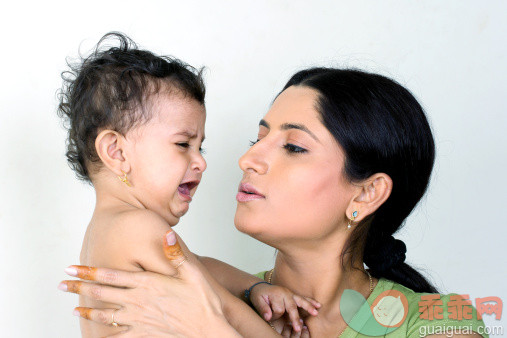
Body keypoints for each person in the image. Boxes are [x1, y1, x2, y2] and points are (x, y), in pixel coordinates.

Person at [59, 67, 487, 337]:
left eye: (294, 147)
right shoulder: (181, 295)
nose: (247, 159)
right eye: (258, 139)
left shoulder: (440, 324)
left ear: (366, 192)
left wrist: (212, 329)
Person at [57, 32, 316, 337]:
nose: (200, 162)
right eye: (183, 144)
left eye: (200, 147)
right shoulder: (136, 226)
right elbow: (220, 308)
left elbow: (199, 267)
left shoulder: (109, 229)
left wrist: (253, 286)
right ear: (116, 152)